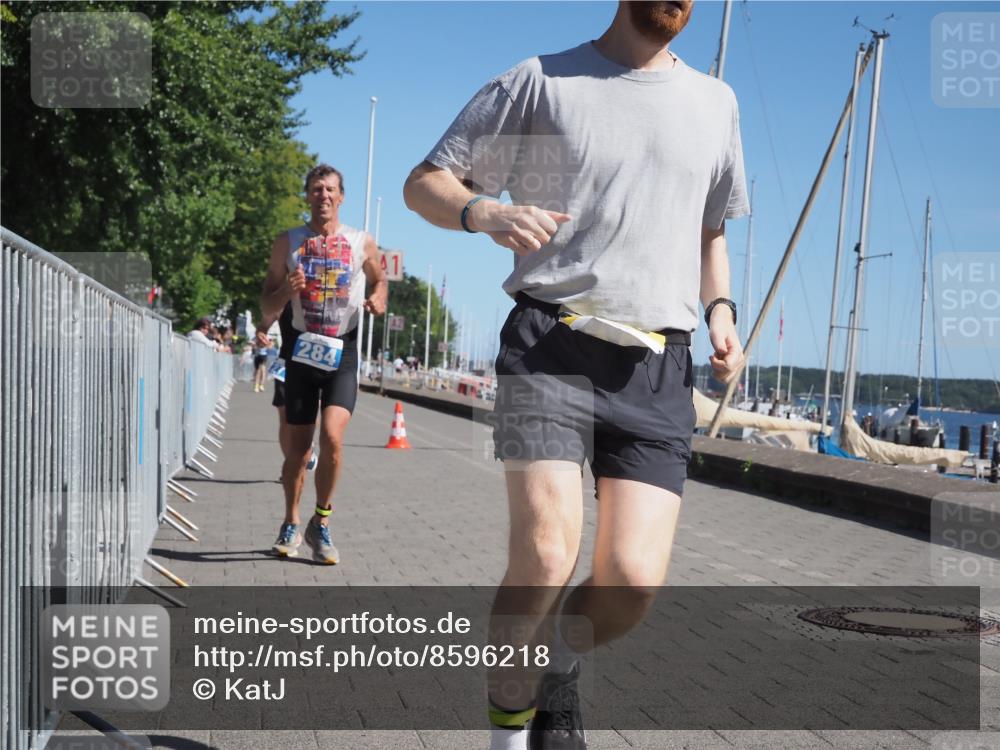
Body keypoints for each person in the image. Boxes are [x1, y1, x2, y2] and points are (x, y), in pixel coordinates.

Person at [403, 2, 747, 748]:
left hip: (659, 365)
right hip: (549, 347)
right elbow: (426, 182)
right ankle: (507, 739)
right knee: (546, 555)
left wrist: (721, 310)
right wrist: (482, 211)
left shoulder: (716, 103)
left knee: (631, 583)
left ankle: (557, 664)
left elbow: (710, 231)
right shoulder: (542, 82)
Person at [260, 164, 387, 565]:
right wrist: (286, 290)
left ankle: (322, 521)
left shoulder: (361, 241)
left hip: (342, 352)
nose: (324, 196)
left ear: (341, 196)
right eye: (316, 189)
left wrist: (379, 298)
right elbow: (266, 303)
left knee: (332, 436)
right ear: (307, 196)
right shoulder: (288, 242)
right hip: (301, 351)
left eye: (330, 189)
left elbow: (380, 279)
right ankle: (291, 522)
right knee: (298, 451)